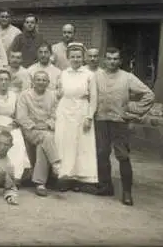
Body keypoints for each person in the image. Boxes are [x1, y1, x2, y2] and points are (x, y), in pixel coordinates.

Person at [94, 47, 155, 206]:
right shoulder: (97, 76)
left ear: (120, 61)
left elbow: (149, 95)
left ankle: (127, 193)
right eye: (109, 58)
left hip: (120, 122)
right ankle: (106, 186)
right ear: (104, 60)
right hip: (101, 120)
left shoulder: (128, 77)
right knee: (101, 154)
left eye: (115, 59)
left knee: (123, 156)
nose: (112, 61)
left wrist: (132, 110)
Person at [54, 43, 98, 191]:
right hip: (65, 111)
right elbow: (58, 92)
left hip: (81, 111)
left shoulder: (89, 75)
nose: (76, 59)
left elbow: (94, 98)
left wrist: (89, 117)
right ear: (68, 58)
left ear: (83, 58)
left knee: (81, 145)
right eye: (72, 56)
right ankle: (65, 176)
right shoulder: (63, 73)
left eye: (78, 56)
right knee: (65, 143)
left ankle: (80, 178)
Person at [16, 71, 62, 197]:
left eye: (43, 80)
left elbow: (55, 115)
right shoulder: (24, 95)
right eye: (38, 80)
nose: (41, 82)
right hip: (30, 130)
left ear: (48, 83)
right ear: (33, 82)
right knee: (47, 137)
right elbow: (21, 117)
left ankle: (40, 183)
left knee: (44, 142)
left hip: (46, 129)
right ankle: (56, 163)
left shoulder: (52, 96)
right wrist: (35, 126)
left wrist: (47, 125)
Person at [0, 68, 30, 184]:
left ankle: (14, 176)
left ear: (10, 81)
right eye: (0, 79)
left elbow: (18, 114)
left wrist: (12, 125)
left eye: (6, 79)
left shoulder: (14, 96)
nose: (3, 82)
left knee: (17, 142)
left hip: (10, 124)